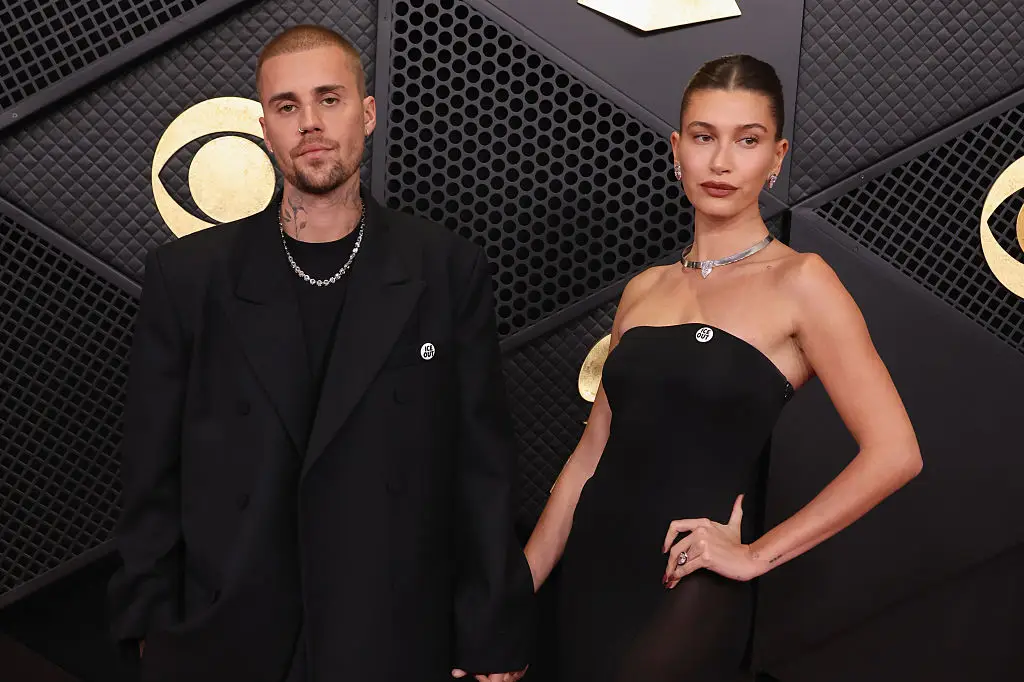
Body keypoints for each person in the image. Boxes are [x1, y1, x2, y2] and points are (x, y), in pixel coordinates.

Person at [108, 24, 533, 682]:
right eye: (287, 107)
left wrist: (489, 631)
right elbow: (149, 475)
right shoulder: (189, 278)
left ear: (367, 114)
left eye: (329, 99)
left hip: (390, 633)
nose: (310, 123)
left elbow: (479, 467)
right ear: (264, 129)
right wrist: (153, 631)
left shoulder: (446, 269)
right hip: (228, 637)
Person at [524, 54, 923, 682]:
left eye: (748, 140)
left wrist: (757, 555)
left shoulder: (803, 283)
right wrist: (518, 590)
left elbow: (896, 452)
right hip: (591, 576)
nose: (722, 162)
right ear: (677, 147)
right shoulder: (644, 290)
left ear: (778, 157)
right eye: (705, 137)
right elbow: (588, 457)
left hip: (686, 583)